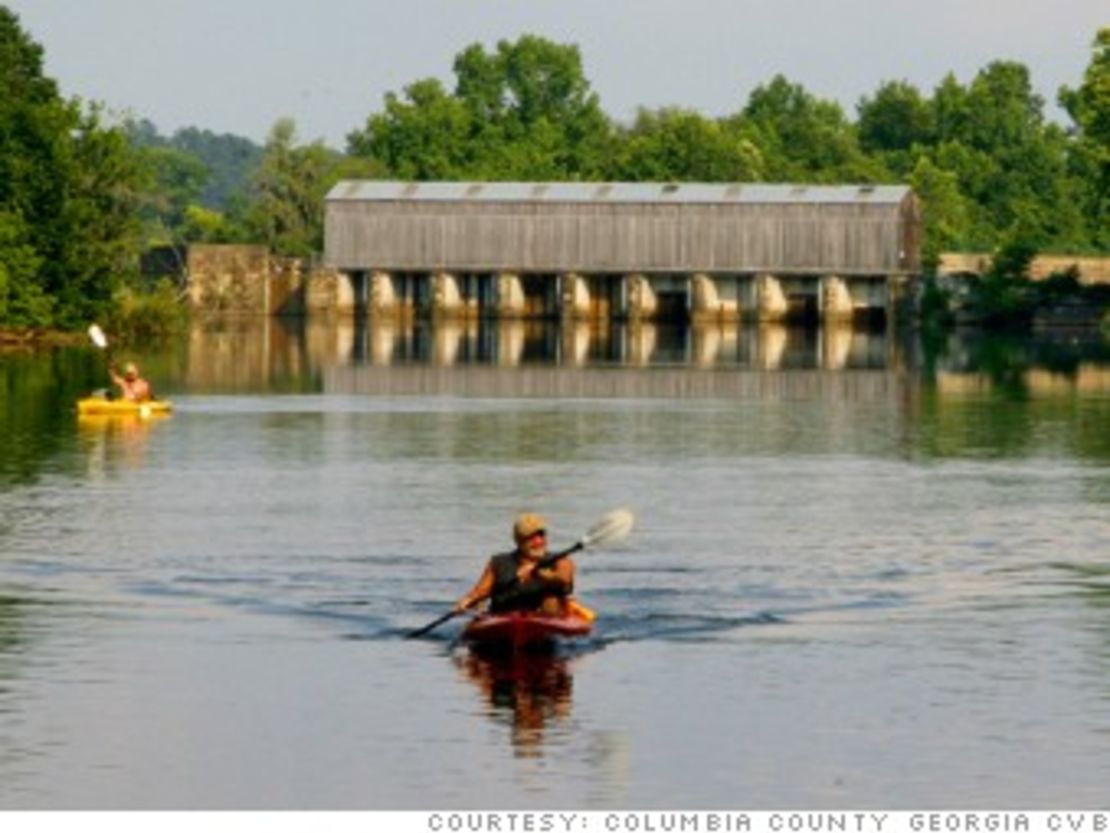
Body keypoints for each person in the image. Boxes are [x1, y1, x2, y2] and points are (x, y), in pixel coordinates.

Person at [454, 513, 576, 617]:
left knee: (551, 601)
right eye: (530, 537)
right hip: (504, 617)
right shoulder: (498, 562)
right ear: (518, 540)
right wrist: (468, 601)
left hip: (544, 618)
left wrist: (537, 573)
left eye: (541, 535)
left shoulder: (561, 560)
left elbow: (564, 578)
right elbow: (481, 591)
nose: (538, 541)